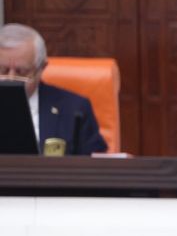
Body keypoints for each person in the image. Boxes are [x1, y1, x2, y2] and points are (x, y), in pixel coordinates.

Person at [0, 23, 107, 156]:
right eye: (2, 70)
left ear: (41, 68)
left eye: (21, 72)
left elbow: (96, 163)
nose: (10, 79)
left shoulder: (75, 109)